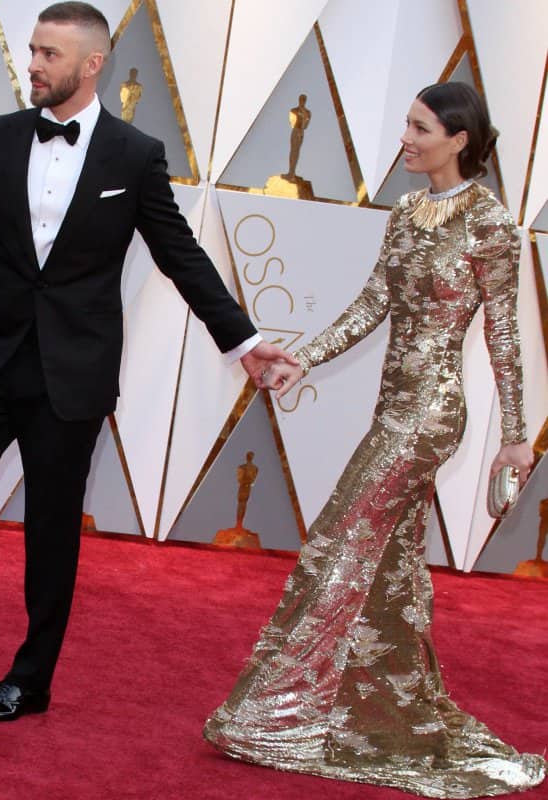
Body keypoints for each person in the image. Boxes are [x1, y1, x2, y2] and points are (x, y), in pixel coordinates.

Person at [0, 1, 294, 721]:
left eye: (49, 54)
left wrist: (242, 342)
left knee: (52, 532)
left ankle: (30, 680)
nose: (33, 65)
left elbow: (180, 256)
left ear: (91, 65)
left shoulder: (135, 155)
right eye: (31, 51)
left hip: (73, 372)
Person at [204, 82, 546, 797]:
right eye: (406, 124)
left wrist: (517, 439)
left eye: (420, 128)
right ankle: (392, 720)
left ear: (459, 139)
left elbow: (505, 334)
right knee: (388, 570)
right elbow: (372, 304)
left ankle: (272, 716)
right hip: (392, 408)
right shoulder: (407, 211)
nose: (405, 138)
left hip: (431, 413)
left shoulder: (488, 223)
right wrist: (306, 355)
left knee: (335, 541)